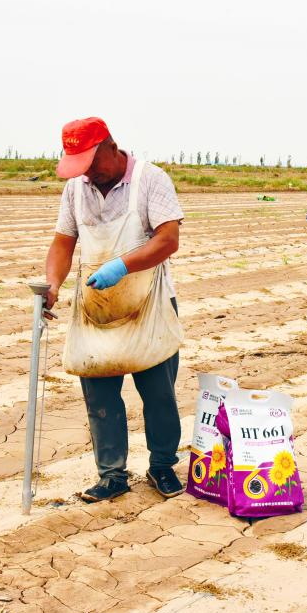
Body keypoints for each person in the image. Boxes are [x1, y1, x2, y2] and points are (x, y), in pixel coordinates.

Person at [44, 117, 185, 503]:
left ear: (111, 146)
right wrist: (53, 284)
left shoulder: (150, 180)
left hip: (149, 304)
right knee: (100, 397)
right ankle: (112, 475)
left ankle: (162, 466)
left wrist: (122, 266)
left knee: (159, 395)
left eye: (92, 164)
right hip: (97, 306)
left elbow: (168, 240)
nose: (88, 174)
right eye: (80, 167)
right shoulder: (76, 189)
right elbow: (62, 243)